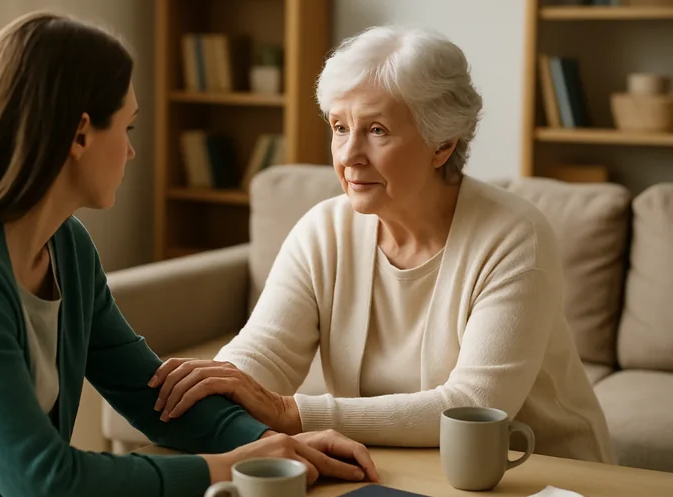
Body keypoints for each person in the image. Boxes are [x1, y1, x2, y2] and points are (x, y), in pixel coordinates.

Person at [0, 12, 378, 497]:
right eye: (128, 126)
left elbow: (153, 395)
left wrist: (268, 445)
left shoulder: (67, 247)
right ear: (80, 134)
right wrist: (225, 468)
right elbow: (46, 483)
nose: (134, 150)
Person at [149, 26, 616, 465]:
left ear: (442, 145)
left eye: (376, 130)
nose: (348, 155)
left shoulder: (514, 236)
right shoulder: (324, 230)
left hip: (537, 477)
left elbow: (473, 406)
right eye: (338, 127)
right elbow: (265, 352)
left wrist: (291, 413)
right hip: (392, 463)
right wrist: (216, 387)